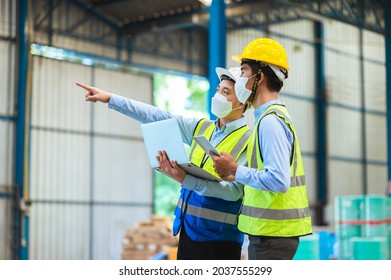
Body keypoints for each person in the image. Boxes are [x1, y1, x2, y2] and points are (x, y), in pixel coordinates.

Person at [76, 67, 251, 260]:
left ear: (242, 101)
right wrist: (111, 99)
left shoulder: (248, 140)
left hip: (220, 242)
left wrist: (185, 179)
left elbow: (235, 192)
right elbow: (158, 116)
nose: (218, 95)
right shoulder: (201, 127)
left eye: (226, 92)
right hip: (188, 233)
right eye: (218, 89)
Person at [211, 38, 313, 260]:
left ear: (261, 76)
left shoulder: (269, 121)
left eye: (245, 70)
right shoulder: (268, 118)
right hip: (270, 235)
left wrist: (235, 170)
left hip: (272, 237)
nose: (241, 77)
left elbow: (278, 180)